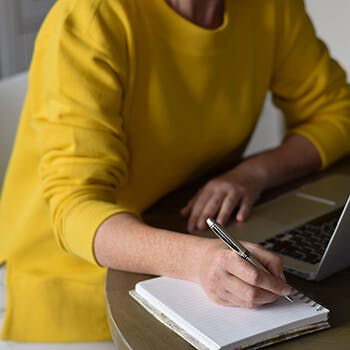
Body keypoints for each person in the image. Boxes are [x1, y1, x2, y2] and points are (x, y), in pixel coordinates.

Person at [0, 0, 350, 343]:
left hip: (188, 236)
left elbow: (338, 113)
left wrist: (254, 174)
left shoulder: (272, 7)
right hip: (75, 279)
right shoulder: (91, 17)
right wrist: (196, 260)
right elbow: (75, 207)